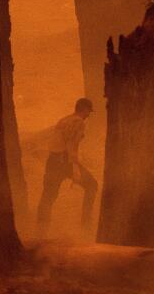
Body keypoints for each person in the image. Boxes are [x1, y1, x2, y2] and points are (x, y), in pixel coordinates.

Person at [36, 97, 98, 235]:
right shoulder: (78, 122)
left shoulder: (64, 120)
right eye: (88, 111)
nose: (88, 115)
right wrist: (75, 168)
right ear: (84, 109)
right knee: (92, 186)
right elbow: (71, 144)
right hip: (65, 161)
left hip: (53, 160)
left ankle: (40, 230)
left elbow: (57, 141)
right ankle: (86, 226)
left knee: (48, 196)